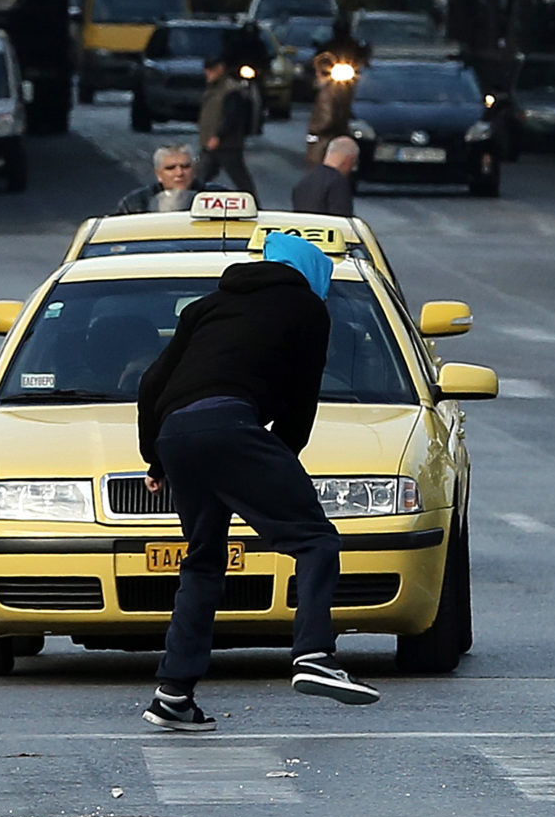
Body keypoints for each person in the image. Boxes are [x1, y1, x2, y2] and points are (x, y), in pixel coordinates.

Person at [134, 231, 378, 729]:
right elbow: (300, 400)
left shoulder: (206, 307)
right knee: (315, 541)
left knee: (202, 562)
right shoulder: (308, 310)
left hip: (175, 434)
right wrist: (280, 463)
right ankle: (314, 654)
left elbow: (153, 383)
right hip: (232, 425)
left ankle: (173, 693)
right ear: (313, 275)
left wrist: (155, 460)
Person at [196, 55, 256, 197]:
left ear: (220, 69)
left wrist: (218, 136)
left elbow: (231, 117)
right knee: (199, 177)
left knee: (240, 179)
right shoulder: (214, 88)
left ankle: (253, 204)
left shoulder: (230, 90)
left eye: (210, 70)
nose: (207, 73)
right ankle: (188, 202)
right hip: (214, 143)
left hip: (227, 144)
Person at [112, 145, 197, 215]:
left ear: (194, 170)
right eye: (170, 168)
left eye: (185, 167)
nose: (179, 173)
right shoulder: (134, 204)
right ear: (158, 174)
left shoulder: (209, 194)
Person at [291, 137, 359, 215]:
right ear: (348, 160)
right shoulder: (338, 183)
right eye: (353, 163)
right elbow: (342, 219)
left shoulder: (306, 180)